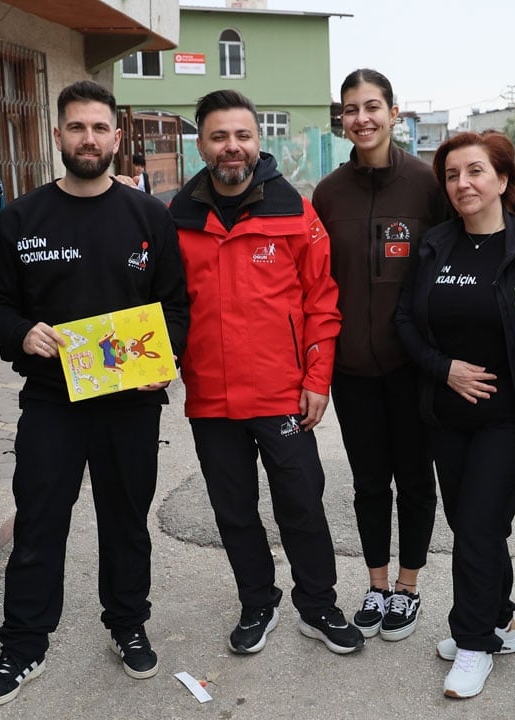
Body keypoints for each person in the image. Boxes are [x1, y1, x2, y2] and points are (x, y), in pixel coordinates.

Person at [0, 80, 188, 706]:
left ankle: (127, 624)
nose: (88, 139)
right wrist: (21, 333)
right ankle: (24, 645)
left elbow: (174, 305)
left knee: (126, 522)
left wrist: (164, 360)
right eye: (76, 127)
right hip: (51, 402)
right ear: (58, 135)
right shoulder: (22, 218)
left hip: (130, 405)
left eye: (99, 128)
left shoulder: (148, 216)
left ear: (116, 139)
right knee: (39, 523)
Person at [169, 89, 361, 656]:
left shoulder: (296, 212)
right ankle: (258, 601)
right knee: (233, 510)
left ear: (259, 142)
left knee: (302, 504)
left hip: (283, 395)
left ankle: (319, 605)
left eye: (243, 135)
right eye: (219, 136)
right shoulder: (177, 217)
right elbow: (162, 306)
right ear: (201, 143)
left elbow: (323, 302)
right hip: (210, 397)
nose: (233, 147)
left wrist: (317, 379)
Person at [394, 130, 515, 699]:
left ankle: (473, 644)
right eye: (451, 175)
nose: (462, 184)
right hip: (446, 415)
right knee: (472, 527)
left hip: (511, 420)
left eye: (475, 172)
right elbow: (406, 323)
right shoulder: (435, 245)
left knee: (481, 528)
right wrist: (445, 370)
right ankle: (500, 619)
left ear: (504, 180)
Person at [311, 68, 448, 642]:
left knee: (415, 478)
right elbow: (315, 284)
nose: (362, 117)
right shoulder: (328, 193)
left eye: (372, 106)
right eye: (350, 109)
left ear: (395, 113)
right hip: (352, 369)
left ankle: (409, 588)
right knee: (369, 482)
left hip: (412, 364)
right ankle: (375, 583)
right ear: (341, 120)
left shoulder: (427, 185)